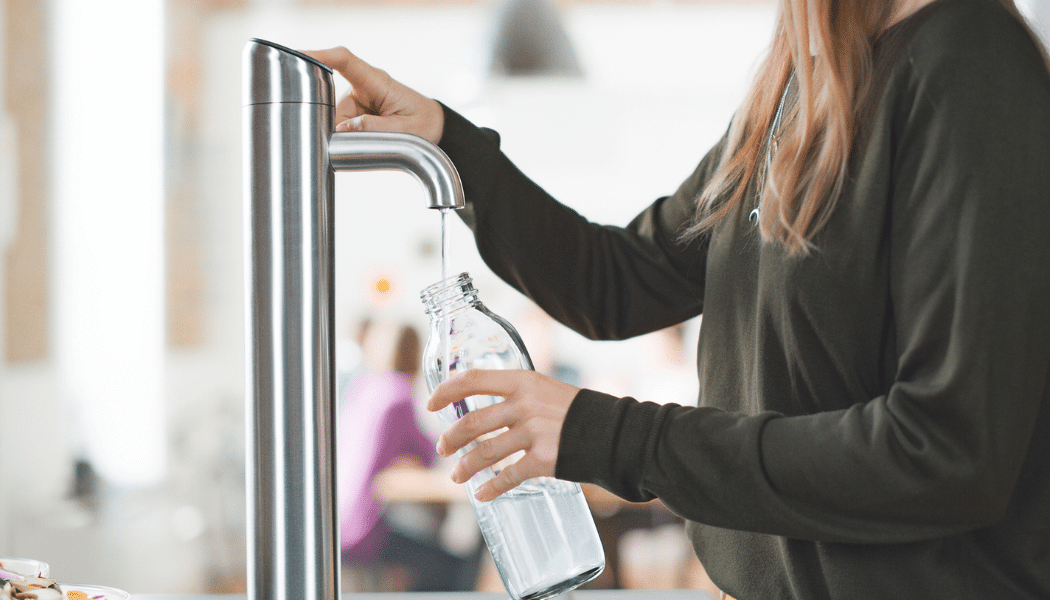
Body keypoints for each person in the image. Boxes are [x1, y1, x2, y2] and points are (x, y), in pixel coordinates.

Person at [304, 0, 1050, 597]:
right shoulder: (800, 85)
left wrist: (612, 436)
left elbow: (946, 451)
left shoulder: (970, 63)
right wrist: (447, 143)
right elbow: (618, 279)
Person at [337, 320, 476, 592]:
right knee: (453, 565)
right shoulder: (398, 394)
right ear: (415, 355)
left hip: (338, 520)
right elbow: (429, 453)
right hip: (364, 530)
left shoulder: (365, 388)